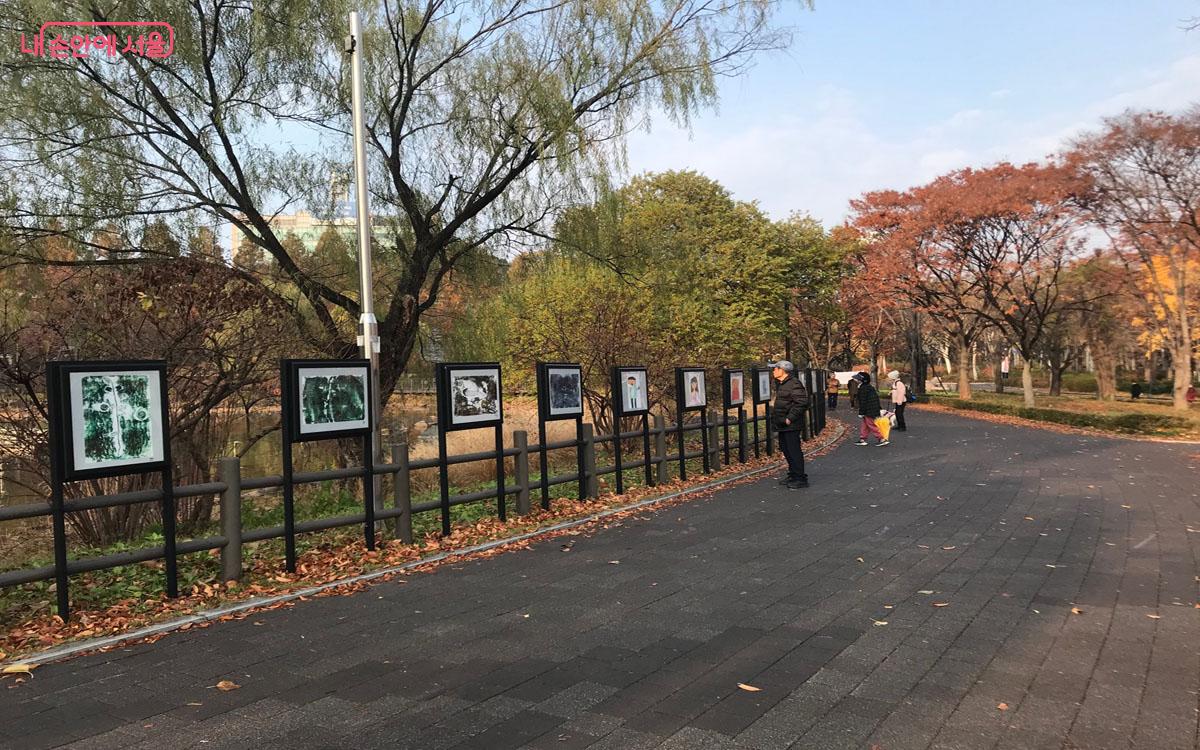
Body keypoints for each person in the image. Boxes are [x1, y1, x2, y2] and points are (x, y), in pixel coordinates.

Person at [769, 360, 809, 489]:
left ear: (782, 370)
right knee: (786, 449)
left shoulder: (793, 384)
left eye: (775, 369)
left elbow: (802, 402)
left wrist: (789, 419)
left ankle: (800, 478)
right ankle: (793, 474)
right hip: (783, 424)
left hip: (791, 424)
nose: (773, 371)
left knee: (794, 450)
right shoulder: (783, 383)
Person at [855, 372, 888, 446]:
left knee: (871, 424)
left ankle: (881, 438)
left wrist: (861, 412)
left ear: (862, 380)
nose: (856, 380)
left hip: (869, 410)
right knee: (865, 424)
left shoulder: (863, 388)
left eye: (858, 379)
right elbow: (875, 398)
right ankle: (862, 438)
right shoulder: (869, 387)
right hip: (872, 409)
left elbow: (863, 402)